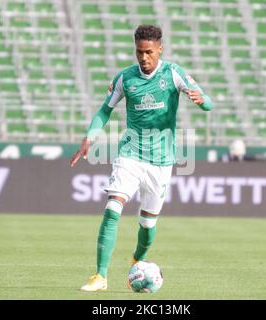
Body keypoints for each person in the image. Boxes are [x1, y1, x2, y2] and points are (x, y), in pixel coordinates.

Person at [70, 25, 213, 291]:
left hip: (161, 161)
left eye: (149, 52)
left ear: (160, 49)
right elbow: (104, 110)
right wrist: (89, 138)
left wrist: (200, 99)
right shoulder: (126, 78)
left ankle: (138, 260)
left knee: (148, 223)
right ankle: (100, 276)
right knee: (113, 208)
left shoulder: (173, 74)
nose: (144, 58)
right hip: (131, 153)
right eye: (139, 52)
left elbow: (209, 103)